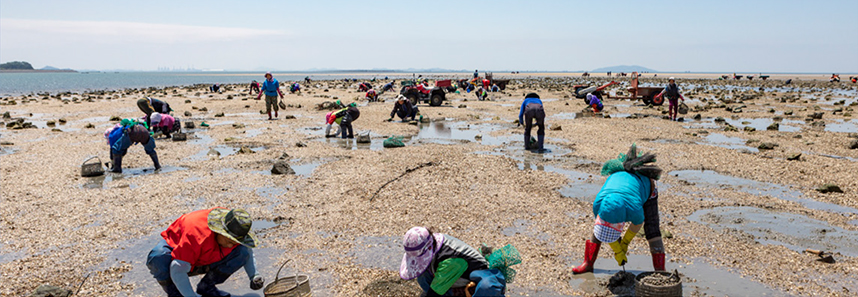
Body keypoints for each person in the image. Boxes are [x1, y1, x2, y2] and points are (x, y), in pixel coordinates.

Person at [572, 144, 665, 275]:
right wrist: (618, 250)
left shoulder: (634, 210)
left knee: (652, 228)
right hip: (621, 186)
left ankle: (661, 271)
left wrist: (624, 243)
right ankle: (588, 264)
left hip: (646, 186)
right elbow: (604, 226)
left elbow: (637, 225)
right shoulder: (598, 204)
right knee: (600, 227)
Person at [147, 207, 264, 297]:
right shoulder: (196, 234)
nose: (230, 246)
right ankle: (176, 294)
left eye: (234, 243)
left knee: (242, 252)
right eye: (229, 241)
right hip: (180, 258)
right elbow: (177, 268)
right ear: (220, 231)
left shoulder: (235, 225)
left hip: (207, 257)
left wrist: (254, 275)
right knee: (158, 257)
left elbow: (247, 250)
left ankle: (206, 287)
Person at [399, 226, 505, 297]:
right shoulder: (433, 241)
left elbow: (435, 292)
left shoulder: (449, 259)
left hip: (475, 280)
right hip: (455, 275)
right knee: (423, 275)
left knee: (486, 287)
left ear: (429, 248)